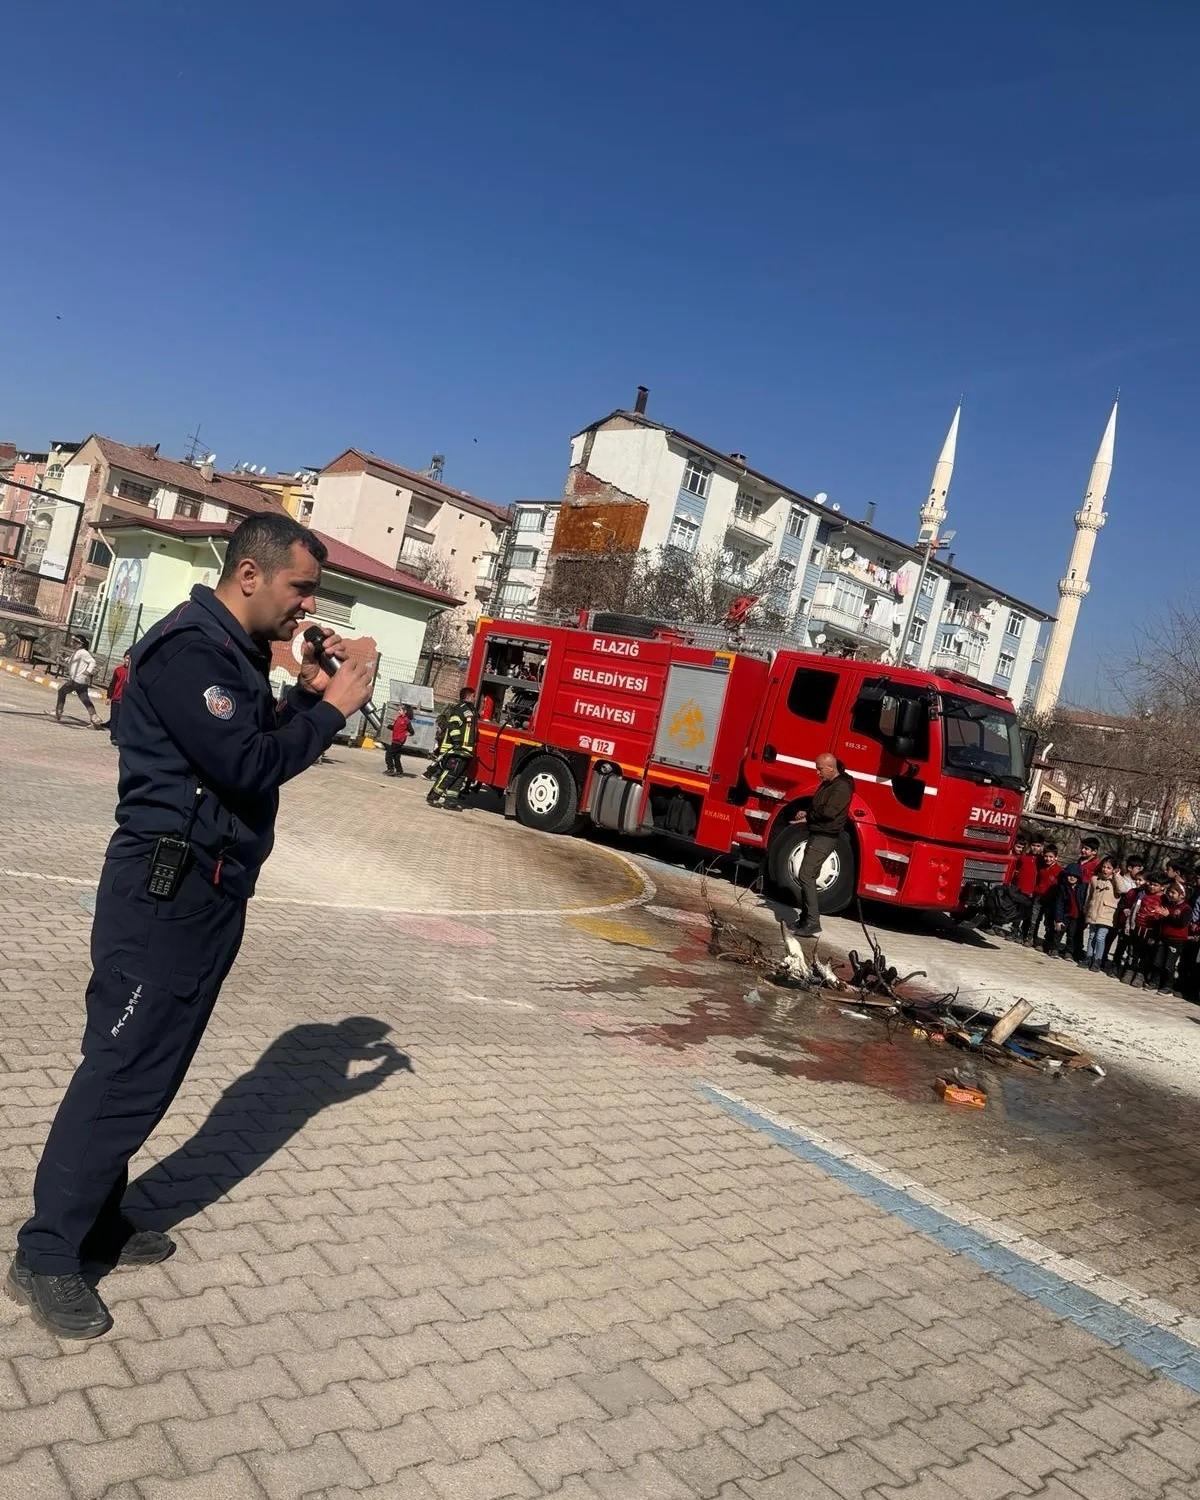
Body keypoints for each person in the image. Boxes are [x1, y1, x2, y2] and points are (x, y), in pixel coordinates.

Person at [7, 514, 372, 1340]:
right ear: (251, 574)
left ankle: (96, 1218)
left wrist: (304, 696)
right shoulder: (190, 652)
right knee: (121, 1068)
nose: (309, 608)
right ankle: (46, 1253)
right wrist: (335, 710)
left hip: (204, 893)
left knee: (152, 1068)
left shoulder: (235, 654)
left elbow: (245, 743)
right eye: (300, 589)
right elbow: (246, 765)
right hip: (161, 895)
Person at [791, 752, 853, 938]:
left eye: (819, 769)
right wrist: (807, 813)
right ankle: (805, 917)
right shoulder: (829, 784)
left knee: (806, 875)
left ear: (830, 768)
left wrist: (809, 816)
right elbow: (820, 805)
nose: (817, 772)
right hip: (818, 832)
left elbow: (829, 812)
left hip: (825, 836)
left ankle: (812, 922)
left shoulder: (841, 787)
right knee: (807, 875)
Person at [427, 688, 477, 811]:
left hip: (467, 751)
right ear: (468, 696)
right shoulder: (460, 709)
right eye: (473, 696)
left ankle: (450, 801)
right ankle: (433, 795)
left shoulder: (472, 711)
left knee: (459, 777)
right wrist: (457, 742)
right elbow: (453, 725)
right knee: (450, 773)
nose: (475, 698)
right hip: (458, 750)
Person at [54, 633, 103, 730]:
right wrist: (64, 659)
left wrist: (88, 671)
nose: (72, 643)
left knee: (62, 691)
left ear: (80, 644)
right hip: (81, 681)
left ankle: (58, 710)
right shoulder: (77, 652)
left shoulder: (83, 652)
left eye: (75, 642)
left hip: (77, 680)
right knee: (85, 699)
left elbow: (92, 662)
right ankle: (95, 718)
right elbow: (72, 660)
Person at [1082, 856, 1120, 971]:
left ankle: (1097, 960)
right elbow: (1089, 896)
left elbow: (1122, 890)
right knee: (1091, 936)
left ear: (1114, 869)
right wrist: (1086, 909)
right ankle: (1088, 957)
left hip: (1107, 914)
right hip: (1093, 912)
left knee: (1100, 937)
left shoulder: (1115, 881)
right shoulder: (1094, 879)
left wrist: (1116, 876)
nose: (1105, 870)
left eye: (1109, 868)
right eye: (1104, 867)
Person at [1030, 843, 1061, 948]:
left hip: (1050, 899)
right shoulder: (1042, 868)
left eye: (1051, 857)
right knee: (1035, 918)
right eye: (1046, 856)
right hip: (1039, 896)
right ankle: (1031, 937)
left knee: (1048, 921)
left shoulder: (1059, 871)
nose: (1048, 859)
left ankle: (1047, 943)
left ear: (1056, 857)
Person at [1048, 867, 1083, 958]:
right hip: (1065, 915)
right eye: (1070, 875)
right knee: (1059, 932)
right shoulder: (1063, 888)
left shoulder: (1081, 888)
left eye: (1075, 876)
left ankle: (1068, 952)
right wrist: (1058, 919)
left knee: (1072, 935)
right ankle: (1054, 948)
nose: (1072, 878)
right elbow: (1059, 904)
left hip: (1076, 917)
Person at [105, 652, 131, 745]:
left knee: (122, 719)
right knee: (114, 719)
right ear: (124, 658)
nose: (128, 660)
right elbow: (112, 684)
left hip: (127, 701)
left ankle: (121, 736)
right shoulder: (118, 670)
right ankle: (113, 737)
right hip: (116, 699)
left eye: (130, 659)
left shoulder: (133, 672)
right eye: (127, 658)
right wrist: (109, 697)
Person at [384, 704, 413, 777]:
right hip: (395, 739)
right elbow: (395, 728)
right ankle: (399, 771)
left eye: (400, 710)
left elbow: (412, 731)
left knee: (389, 755)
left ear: (405, 711)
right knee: (396, 756)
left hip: (399, 741)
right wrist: (388, 726)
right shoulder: (399, 718)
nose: (398, 711)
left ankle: (390, 769)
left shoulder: (406, 720)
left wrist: (406, 734)